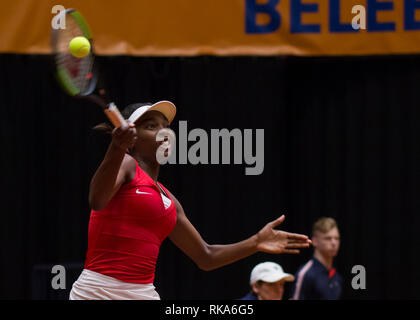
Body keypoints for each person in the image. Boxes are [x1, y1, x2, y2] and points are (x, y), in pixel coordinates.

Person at [69, 101, 312, 300]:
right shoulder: (125, 164)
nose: (163, 131)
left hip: (142, 293)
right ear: (131, 137)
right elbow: (97, 200)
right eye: (151, 126)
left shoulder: (167, 200)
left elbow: (206, 256)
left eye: (166, 126)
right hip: (98, 291)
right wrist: (116, 148)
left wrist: (255, 242)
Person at [290, 217, 342, 300]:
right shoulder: (306, 274)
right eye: (328, 238)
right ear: (314, 241)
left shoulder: (335, 275)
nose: (333, 243)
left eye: (337, 238)